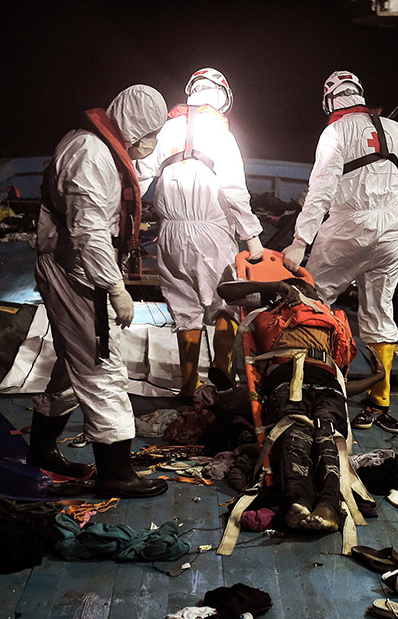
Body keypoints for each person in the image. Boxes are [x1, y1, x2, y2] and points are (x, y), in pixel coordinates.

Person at [280, 71, 398, 435]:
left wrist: (300, 241)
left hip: (347, 231)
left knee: (314, 301)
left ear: (329, 101)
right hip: (391, 234)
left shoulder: (334, 133)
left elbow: (321, 191)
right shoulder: (393, 130)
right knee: (380, 312)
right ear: (360, 95)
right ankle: (379, 402)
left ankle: (314, 384)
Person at [32, 84, 169, 499]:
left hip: (80, 264)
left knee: (70, 363)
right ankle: (115, 473)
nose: (152, 142)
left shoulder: (103, 147)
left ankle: (40, 451)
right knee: (101, 361)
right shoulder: (90, 155)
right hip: (76, 269)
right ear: (136, 127)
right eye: (151, 134)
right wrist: (114, 287)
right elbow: (88, 231)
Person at [216, 277, 385, 532]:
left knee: (328, 435)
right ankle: (298, 501)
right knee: (293, 432)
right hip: (286, 377)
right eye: (298, 286)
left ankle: (327, 506)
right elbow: (224, 290)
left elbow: (343, 386)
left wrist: (376, 378)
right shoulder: (270, 308)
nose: (304, 291)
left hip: (328, 381)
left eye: (308, 288)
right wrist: (274, 286)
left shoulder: (331, 318)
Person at [136, 68, 264, 398]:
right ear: (223, 97)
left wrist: (124, 223)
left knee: (183, 308)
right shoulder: (221, 133)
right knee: (227, 301)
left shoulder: (165, 129)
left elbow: (139, 177)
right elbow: (234, 189)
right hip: (213, 231)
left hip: (170, 233)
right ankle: (222, 369)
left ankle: (188, 385)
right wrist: (252, 237)